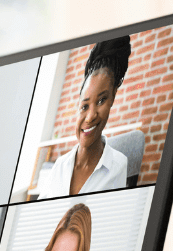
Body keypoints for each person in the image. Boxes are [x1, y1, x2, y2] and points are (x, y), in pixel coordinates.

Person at [31, 39, 131, 199]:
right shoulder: (60, 166)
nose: (90, 116)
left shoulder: (118, 165)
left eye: (101, 101)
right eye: (84, 106)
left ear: (112, 99)